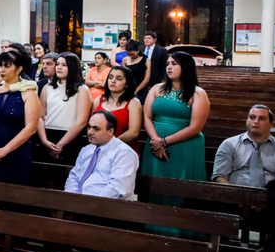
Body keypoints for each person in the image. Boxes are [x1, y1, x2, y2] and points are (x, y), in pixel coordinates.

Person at [212, 106, 275, 252]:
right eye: (252, 117)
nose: (255, 121)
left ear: (271, 123)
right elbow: (219, 176)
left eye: (261, 118)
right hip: (234, 199)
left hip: (270, 203)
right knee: (209, 206)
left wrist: (263, 200)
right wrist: (238, 197)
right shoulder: (229, 144)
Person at [141, 51, 210, 182]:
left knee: (181, 180)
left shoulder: (197, 93)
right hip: (155, 142)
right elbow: (147, 117)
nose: (169, 67)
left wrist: (164, 142)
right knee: (155, 180)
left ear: (186, 67)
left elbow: (195, 128)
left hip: (184, 144)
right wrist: (156, 141)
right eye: (167, 64)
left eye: (174, 64)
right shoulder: (156, 89)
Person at [0, 50, 41, 185]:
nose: (2, 70)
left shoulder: (29, 93)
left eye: (7, 66)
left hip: (15, 153)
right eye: (0, 66)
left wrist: (4, 151)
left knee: (12, 193)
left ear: (19, 69)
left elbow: (31, 128)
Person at [62, 110, 139, 200]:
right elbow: (73, 177)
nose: (90, 132)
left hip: (107, 205)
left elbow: (117, 188)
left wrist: (90, 203)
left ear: (110, 131)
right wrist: (71, 198)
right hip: (78, 203)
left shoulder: (124, 153)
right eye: (89, 127)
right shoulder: (86, 150)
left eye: (96, 129)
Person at [37, 53, 92, 162]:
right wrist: (44, 141)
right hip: (48, 135)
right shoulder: (47, 88)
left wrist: (60, 145)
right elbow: (40, 117)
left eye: (64, 65)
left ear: (72, 67)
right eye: (57, 64)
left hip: (70, 137)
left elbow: (81, 121)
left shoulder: (82, 89)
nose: (59, 67)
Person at [92, 65, 143, 145]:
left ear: (127, 84)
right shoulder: (98, 101)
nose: (113, 81)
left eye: (119, 79)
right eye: (110, 77)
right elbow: (90, 126)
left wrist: (110, 144)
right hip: (98, 144)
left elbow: (134, 132)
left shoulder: (133, 103)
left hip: (123, 146)